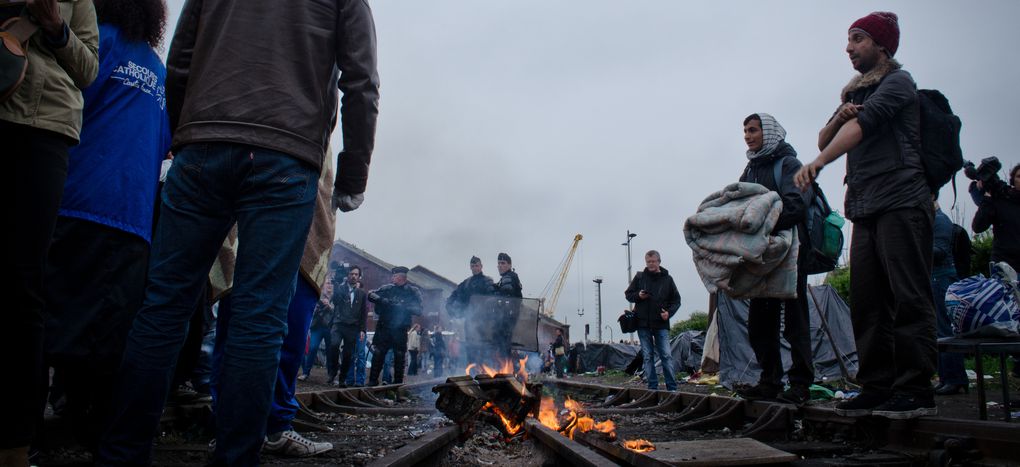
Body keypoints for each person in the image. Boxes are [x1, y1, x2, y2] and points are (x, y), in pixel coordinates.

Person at [96, 0, 380, 462]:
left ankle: (121, 453)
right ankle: (234, 457)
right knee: (260, 317)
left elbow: (181, 57)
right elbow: (361, 82)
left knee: (163, 305)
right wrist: (351, 178)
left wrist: (186, 133)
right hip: (285, 156)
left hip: (202, 145)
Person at [32, 0, 166, 451]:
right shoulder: (156, 68)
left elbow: (65, 104)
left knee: (51, 320)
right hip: (130, 218)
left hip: (79, 203)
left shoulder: (99, 43)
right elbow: (161, 142)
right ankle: (88, 428)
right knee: (108, 337)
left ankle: (37, 428)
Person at [795, 12, 937, 419]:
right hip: (865, 205)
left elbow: (864, 128)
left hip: (902, 199)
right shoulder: (853, 94)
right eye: (849, 39)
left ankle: (914, 388)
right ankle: (877, 385)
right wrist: (838, 119)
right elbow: (829, 133)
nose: (849, 47)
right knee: (867, 300)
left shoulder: (898, 83)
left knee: (908, 295)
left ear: (881, 46)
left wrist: (820, 162)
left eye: (857, 39)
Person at [1, 0, 98, 460]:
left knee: (24, 283)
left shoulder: (81, 4)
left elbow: (88, 68)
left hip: (43, 127)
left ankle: (15, 441)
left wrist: (57, 27)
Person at [734, 113, 814, 405]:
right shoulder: (750, 170)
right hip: (762, 256)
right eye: (745, 131)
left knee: (795, 321)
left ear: (768, 132)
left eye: (753, 130)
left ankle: (801, 384)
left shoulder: (789, 164)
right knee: (760, 322)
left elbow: (797, 205)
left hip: (791, 252)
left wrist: (761, 225)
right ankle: (770, 381)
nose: (747, 135)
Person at [624, 250, 682, 391]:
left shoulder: (668, 279)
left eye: (653, 261)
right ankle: (652, 388)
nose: (650, 264)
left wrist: (669, 313)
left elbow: (676, 301)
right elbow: (628, 294)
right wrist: (638, 295)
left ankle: (672, 388)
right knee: (648, 356)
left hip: (661, 324)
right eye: (648, 261)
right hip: (642, 324)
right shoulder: (639, 277)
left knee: (666, 356)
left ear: (659, 262)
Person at [931, 198, 968, 395]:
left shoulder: (940, 221)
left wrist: (914, 246)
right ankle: (946, 377)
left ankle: (955, 379)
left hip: (942, 279)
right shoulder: (932, 221)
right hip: (935, 278)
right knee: (939, 330)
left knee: (946, 329)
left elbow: (940, 251)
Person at [367, 267, 423, 386]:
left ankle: (397, 383)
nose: (392, 277)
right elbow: (371, 295)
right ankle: (372, 381)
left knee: (399, 355)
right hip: (384, 327)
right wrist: (383, 300)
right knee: (378, 354)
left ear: (402, 277)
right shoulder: (387, 288)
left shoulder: (412, 291)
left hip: (400, 329)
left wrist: (403, 306)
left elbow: (419, 310)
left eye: (395, 275)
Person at [971, 163, 1020, 272]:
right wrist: (987, 198)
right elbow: (978, 227)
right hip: (1004, 265)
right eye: (1019, 176)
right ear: (1013, 180)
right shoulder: (1001, 200)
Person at [329, 266, 369, 386]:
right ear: (348, 275)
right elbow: (334, 301)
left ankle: (342, 379)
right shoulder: (341, 288)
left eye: (356, 274)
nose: (353, 276)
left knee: (348, 354)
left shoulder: (361, 293)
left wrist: (362, 329)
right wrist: (336, 285)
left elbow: (363, 313)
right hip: (339, 323)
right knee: (334, 345)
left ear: (359, 277)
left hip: (352, 326)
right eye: (351, 274)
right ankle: (333, 371)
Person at [300, 281, 335, 381]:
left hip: (330, 328)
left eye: (331, 283)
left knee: (330, 351)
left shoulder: (336, 297)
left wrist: (330, 307)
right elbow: (310, 309)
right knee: (312, 348)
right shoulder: (317, 295)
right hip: (317, 327)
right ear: (324, 285)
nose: (329, 285)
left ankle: (330, 376)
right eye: (328, 283)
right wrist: (319, 306)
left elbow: (338, 312)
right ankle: (306, 373)